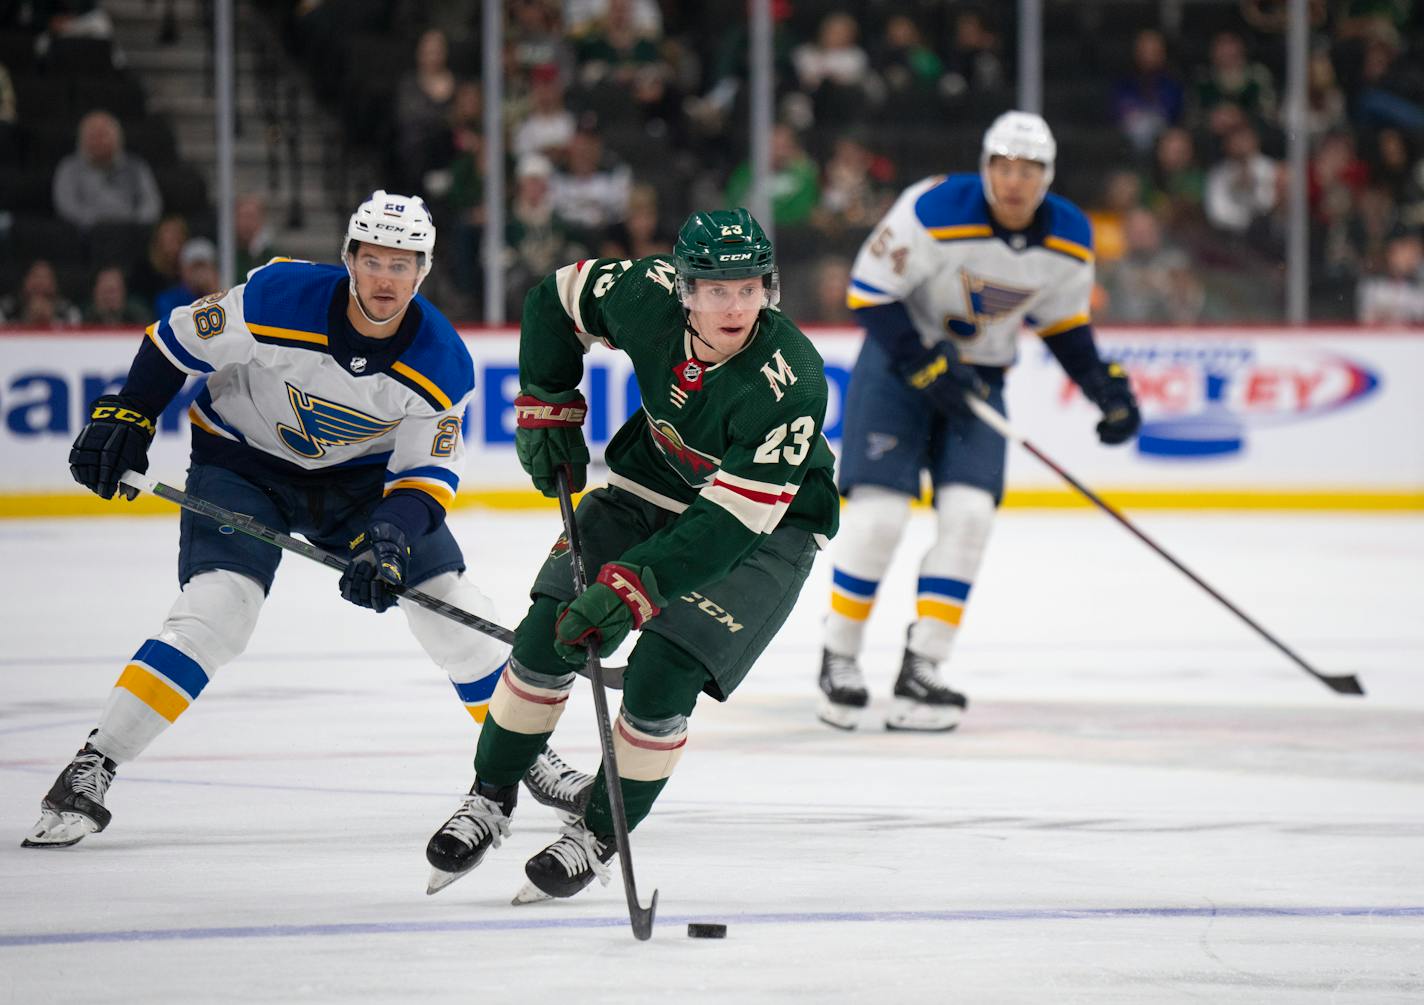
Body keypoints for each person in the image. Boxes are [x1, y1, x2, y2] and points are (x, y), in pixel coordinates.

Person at [21, 190, 538, 848]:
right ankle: (93, 764)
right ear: (349, 257)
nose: (386, 278)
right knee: (218, 608)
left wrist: (389, 539)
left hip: (357, 487)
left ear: (424, 270)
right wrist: (131, 409)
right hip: (243, 465)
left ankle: (524, 756)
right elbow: (177, 341)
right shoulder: (277, 297)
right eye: (373, 259)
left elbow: (422, 476)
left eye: (402, 264)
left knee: (446, 603)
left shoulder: (441, 359)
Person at [422, 208, 839, 902]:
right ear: (683, 289)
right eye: (715, 289)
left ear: (770, 288)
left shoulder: (791, 380)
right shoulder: (642, 290)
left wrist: (631, 590)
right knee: (545, 633)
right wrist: (546, 400)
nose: (734, 305)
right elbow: (552, 300)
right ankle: (489, 799)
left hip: (770, 529)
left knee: (662, 672)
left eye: (749, 288)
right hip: (650, 485)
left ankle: (598, 834)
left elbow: (727, 525)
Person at [816, 111, 1141, 732]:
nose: (1013, 181)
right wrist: (921, 362)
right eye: (1002, 165)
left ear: (1047, 176)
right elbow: (869, 290)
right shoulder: (935, 208)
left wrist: (1105, 390)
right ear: (985, 165)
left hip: (979, 381)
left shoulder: (1070, 235)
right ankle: (841, 653)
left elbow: (1065, 325)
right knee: (880, 517)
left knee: (969, 518)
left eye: (1028, 170)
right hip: (897, 371)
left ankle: (924, 666)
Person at [51, 110, 162, 230]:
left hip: (130, 232)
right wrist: (98, 223)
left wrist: (134, 224)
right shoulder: (69, 167)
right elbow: (66, 206)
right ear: (81, 141)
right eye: (93, 136)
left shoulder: (137, 166)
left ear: (117, 139)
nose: (98, 141)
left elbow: (152, 204)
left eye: (103, 135)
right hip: (87, 234)